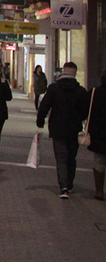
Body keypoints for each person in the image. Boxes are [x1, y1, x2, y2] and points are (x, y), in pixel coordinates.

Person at [37, 61, 90, 198]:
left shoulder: (54, 88)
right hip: (74, 130)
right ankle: (70, 183)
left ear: (63, 71)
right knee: (71, 157)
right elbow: (85, 112)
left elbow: (45, 105)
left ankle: (64, 187)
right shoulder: (81, 91)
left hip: (57, 128)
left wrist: (40, 120)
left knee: (61, 157)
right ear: (75, 73)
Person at [88, 70, 106, 201]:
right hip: (99, 133)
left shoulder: (95, 93)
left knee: (99, 161)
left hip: (99, 133)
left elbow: (85, 110)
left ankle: (99, 191)